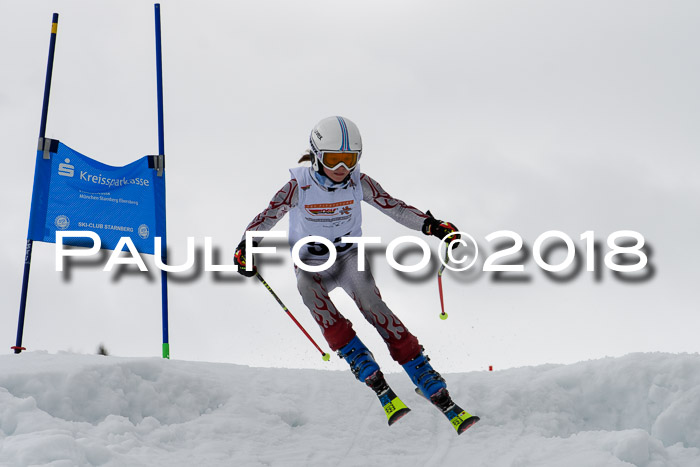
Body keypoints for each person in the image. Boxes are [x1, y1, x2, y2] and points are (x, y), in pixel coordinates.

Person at [234, 116, 478, 433]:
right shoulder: (299, 185)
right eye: (334, 159)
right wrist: (247, 246)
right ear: (317, 154)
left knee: (371, 302)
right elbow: (268, 216)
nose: (341, 168)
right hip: (310, 262)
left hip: (348, 257)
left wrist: (431, 226)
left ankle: (420, 369)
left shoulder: (358, 182)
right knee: (308, 289)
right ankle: (361, 361)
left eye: (349, 159)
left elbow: (395, 207)